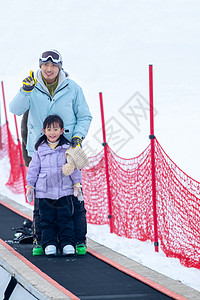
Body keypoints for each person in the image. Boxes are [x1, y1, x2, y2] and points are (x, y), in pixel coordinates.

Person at [9, 49, 92, 256]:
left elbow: (85, 116)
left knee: (71, 197)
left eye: (53, 65)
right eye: (45, 65)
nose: (49, 69)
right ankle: (43, 240)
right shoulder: (32, 86)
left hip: (67, 152)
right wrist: (25, 91)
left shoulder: (72, 88)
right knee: (42, 197)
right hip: (39, 151)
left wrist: (77, 137)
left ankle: (73, 240)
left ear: (59, 67)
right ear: (40, 66)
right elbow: (15, 109)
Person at [26, 115, 82, 256]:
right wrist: (30, 185)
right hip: (45, 191)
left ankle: (67, 243)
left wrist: (77, 184)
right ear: (44, 131)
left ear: (62, 130)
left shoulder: (67, 148)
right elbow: (34, 168)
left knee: (65, 218)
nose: (52, 132)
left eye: (55, 129)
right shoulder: (40, 149)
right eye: (49, 129)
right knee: (47, 219)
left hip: (64, 190)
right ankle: (49, 243)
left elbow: (73, 166)